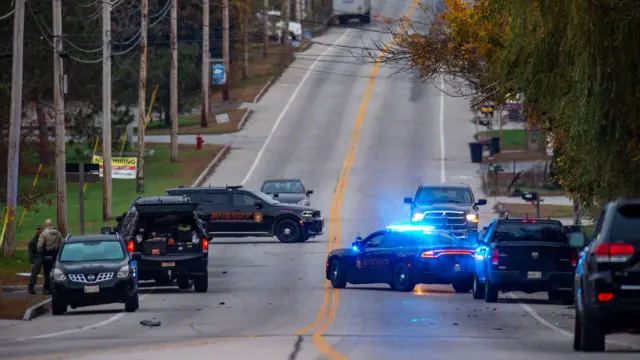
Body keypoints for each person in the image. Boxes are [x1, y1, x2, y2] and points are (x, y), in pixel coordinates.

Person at [37, 219, 63, 295]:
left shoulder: (43, 234)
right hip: (56, 255)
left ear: (46, 225)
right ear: (51, 224)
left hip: (47, 254)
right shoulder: (58, 233)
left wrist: (41, 251)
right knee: (56, 272)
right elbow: (62, 243)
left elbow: (39, 246)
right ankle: (56, 287)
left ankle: (47, 288)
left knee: (47, 272)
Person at [27, 225, 44, 295]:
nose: (39, 232)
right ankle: (31, 286)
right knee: (35, 270)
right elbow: (30, 253)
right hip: (37, 256)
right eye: (38, 231)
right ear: (36, 231)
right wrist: (32, 262)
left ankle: (48, 287)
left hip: (44, 256)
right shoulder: (33, 241)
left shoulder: (45, 239)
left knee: (48, 271)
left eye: (40, 231)